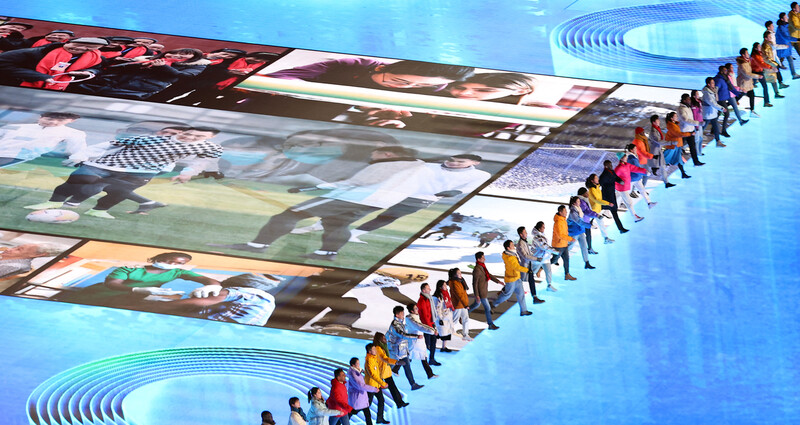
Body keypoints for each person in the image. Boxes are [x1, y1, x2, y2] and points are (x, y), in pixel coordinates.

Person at [209, 146, 431, 261]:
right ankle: (326, 253)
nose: (372, 157)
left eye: (375, 154)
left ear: (387, 154)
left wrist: (317, 187)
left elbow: (360, 182)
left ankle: (257, 246)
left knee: (289, 215)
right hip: (377, 203)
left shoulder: (387, 164)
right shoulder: (419, 166)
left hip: (350, 197)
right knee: (337, 224)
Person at [25, 127, 223, 219]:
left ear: (208, 138)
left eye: (198, 136)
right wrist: (81, 155)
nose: (191, 138)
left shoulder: (210, 147)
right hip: (108, 164)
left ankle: (98, 211)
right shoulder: (150, 139)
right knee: (81, 179)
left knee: (118, 192)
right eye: (188, 133)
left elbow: (203, 160)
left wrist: (188, 172)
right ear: (182, 132)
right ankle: (53, 202)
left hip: (143, 172)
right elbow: (109, 144)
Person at [347, 154, 489, 243]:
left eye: (460, 162)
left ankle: (354, 234)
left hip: (422, 199)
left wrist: (457, 191)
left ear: (474, 162)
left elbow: (471, 187)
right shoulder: (427, 165)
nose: (454, 163)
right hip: (396, 192)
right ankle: (334, 228)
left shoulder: (480, 175)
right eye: (452, 160)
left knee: (387, 217)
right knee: (361, 210)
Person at [52, 252, 221, 308]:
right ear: (158, 258)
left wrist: (210, 287)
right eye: (170, 260)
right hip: (99, 294)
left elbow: (210, 281)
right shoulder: (130, 269)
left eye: (179, 263)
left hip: (129, 299)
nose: (173, 264)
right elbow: (112, 284)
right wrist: (137, 289)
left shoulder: (177, 273)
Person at [266, 58, 475, 93]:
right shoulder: (350, 65)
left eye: (420, 86)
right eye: (398, 81)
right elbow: (278, 77)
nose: (405, 88)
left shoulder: (436, 86)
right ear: (379, 69)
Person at [74, 48, 209, 99]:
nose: (178, 56)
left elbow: (184, 76)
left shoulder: (197, 66)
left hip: (137, 90)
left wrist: (163, 67)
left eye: (184, 55)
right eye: (176, 52)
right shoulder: (147, 58)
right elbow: (113, 69)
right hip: (109, 82)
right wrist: (138, 65)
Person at [0, 37, 108, 90]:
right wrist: (39, 76)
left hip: (57, 90)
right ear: (67, 42)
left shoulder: (95, 58)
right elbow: (3, 63)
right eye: (78, 45)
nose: (81, 49)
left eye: (89, 47)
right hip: (17, 87)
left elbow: (98, 70)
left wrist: (89, 72)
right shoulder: (34, 53)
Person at [0, 112, 86, 168]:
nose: (53, 122)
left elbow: (78, 148)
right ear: (40, 117)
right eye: (49, 119)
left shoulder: (73, 133)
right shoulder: (15, 126)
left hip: (16, 156)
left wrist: (78, 158)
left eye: (61, 120)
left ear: (71, 121)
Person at [385, 306, 424, 391]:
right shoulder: (395, 325)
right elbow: (402, 335)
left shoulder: (401, 323)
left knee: (407, 367)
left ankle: (413, 384)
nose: (403, 315)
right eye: (402, 313)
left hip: (402, 350)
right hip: (394, 351)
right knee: (389, 367)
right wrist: (416, 336)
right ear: (397, 315)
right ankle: (380, 382)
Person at [492, 240, 532, 315]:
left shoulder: (512, 254)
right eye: (512, 245)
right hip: (511, 279)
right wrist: (527, 270)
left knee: (521, 294)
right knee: (507, 295)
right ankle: (494, 304)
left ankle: (523, 311)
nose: (514, 246)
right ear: (508, 248)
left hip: (517, 277)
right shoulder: (509, 257)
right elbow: (516, 267)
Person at [370, 333, 407, 408]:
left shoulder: (383, 347)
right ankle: (364, 405)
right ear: (379, 339)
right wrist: (396, 362)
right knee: (374, 392)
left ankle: (399, 403)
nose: (385, 339)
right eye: (383, 338)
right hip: (381, 372)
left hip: (385, 371)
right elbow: (385, 358)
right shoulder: (378, 348)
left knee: (393, 388)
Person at [404, 302, 439, 379]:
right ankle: (395, 369)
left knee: (423, 357)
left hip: (419, 341)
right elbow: (420, 326)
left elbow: (421, 326)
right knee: (408, 357)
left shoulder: (415, 317)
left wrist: (432, 330)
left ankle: (430, 374)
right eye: (416, 308)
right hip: (414, 341)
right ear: (412, 311)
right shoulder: (411, 319)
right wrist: (432, 331)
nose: (417, 309)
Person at [712, 66, 747, 138]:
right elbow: (715, 90)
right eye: (725, 70)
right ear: (721, 71)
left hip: (725, 97)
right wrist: (716, 99)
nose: (726, 71)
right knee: (726, 114)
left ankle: (713, 129)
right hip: (721, 99)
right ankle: (723, 131)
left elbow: (731, 87)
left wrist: (739, 93)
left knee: (718, 113)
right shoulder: (719, 80)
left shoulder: (725, 79)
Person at [515, 227, 546, 304]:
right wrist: (536, 258)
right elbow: (525, 256)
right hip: (524, 266)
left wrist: (536, 255)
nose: (526, 233)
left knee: (531, 280)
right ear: (521, 234)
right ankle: (504, 292)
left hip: (528, 265)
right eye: (525, 232)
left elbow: (529, 253)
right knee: (515, 281)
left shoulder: (524, 242)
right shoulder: (520, 244)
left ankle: (534, 297)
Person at [470, 251, 501, 330]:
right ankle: (490, 324)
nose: (485, 259)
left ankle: (463, 314)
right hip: (481, 293)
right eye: (483, 258)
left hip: (483, 291)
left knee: (475, 305)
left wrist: (498, 281)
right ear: (478, 259)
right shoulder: (477, 269)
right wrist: (477, 295)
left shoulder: (482, 267)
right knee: (487, 308)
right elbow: (474, 283)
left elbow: (488, 275)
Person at [363, 343, 393, 423]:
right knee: (367, 404)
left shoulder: (374, 358)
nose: (375, 350)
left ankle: (380, 418)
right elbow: (373, 375)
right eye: (374, 349)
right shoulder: (369, 361)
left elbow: (377, 372)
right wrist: (383, 383)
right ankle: (351, 412)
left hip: (377, 385)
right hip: (371, 386)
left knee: (381, 400)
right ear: (369, 351)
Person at [0, 243, 64, 279]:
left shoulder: (15, 266)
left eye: (19, 249)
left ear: (37, 255)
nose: (8, 249)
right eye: (15, 247)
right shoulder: (8, 259)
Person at [598, 160, 630, 232]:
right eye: (609, 165)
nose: (611, 166)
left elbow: (615, 177)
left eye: (611, 164)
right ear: (606, 166)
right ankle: (621, 228)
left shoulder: (611, 172)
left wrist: (620, 181)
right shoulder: (604, 175)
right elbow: (599, 184)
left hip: (611, 195)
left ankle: (621, 228)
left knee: (613, 211)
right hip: (607, 197)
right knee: (608, 211)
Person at [529, 221, 560, 292]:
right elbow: (544, 246)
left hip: (545, 258)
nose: (544, 228)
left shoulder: (542, 235)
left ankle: (549, 285)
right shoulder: (537, 237)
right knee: (532, 272)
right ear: (539, 228)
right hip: (538, 258)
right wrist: (555, 251)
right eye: (543, 227)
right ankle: (523, 283)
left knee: (548, 271)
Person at [416, 282, 442, 364]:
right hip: (427, 326)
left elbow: (430, 314)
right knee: (428, 344)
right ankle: (425, 359)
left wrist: (433, 324)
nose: (430, 289)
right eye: (428, 288)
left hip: (430, 324)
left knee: (433, 342)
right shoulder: (422, 301)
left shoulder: (428, 299)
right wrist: (432, 328)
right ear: (423, 290)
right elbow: (425, 316)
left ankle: (431, 359)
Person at [567, 196, 595, 269]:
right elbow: (579, 221)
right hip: (574, 232)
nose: (580, 203)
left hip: (580, 231)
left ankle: (587, 262)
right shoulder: (573, 212)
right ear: (574, 203)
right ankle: (557, 256)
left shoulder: (579, 209)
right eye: (578, 201)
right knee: (570, 246)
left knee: (584, 246)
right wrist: (589, 225)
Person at [677, 93, 705, 165]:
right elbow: (686, 120)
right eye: (688, 99)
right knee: (679, 147)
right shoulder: (681, 109)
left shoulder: (688, 107)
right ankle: (675, 160)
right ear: (684, 100)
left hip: (690, 131)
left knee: (692, 148)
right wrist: (698, 123)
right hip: (684, 132)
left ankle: (696, 161)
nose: (690, 100)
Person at [347, 358, 377, 425]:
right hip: (358, 399)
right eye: (357, 363)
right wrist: (373, 389)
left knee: (367, 415)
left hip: (361, 399)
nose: (359, 364)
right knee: (350, 414)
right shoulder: (353, 374)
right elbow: (361, 386)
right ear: (353, 365)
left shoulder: (357, 372)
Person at [551, 205, 577, 281]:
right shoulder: (558, 222)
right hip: (558, 245)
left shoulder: (563, 220)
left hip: (564, 244)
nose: (566, 212)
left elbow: (564, 232)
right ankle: (541, 267)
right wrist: (570, 239)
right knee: (554, 260)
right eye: (565, 211)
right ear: (560, 212)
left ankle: (567, 274)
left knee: (566, 259)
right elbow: (560, 235)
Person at [448, 267, 475, 340]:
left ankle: (465, 335)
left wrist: (465, 304)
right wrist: (465, 304)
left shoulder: (460, 281)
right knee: (454, 320)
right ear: (454, 275)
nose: (460, 274)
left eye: (460, 273)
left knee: (465, 319)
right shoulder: (454, 283)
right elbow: (459, 295)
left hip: (462, 304)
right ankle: (446, 332)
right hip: (458, 305)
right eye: (459, 273)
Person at [738, 48, 767, 113]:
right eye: (747, 53)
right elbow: (747, 73)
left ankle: (752, 110)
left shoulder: (747, 61)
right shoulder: (742, 64)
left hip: (748, 83)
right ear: (743, 55)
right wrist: (757, 76)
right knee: (739, 96)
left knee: (751, 95)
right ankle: (724, 107)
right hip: (744, 83)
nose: (748, 54)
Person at [647, 115, 673, 187]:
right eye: (657, 120)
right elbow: (658, 141)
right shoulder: (653, 131)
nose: (659, 121)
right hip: (654, 152)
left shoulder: (657, 129)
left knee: (663, 167)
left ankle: (666, 183)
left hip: (658, 151)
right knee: (647, 170)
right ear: (653, 122)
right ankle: (638, 184)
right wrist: (670, 142)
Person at [664, 112, 692, 179]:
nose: (677, 117)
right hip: (673, 146)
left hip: (677, 145)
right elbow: (678, 134)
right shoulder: (672, 126)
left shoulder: (675, 124)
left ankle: (683, 173)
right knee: (665, 158)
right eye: (675, 116)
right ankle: (655, 168)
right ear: (672, 118)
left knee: (679, 160)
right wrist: (689, 134)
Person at [700, 79, 726, 149]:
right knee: (701, 128)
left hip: (713, 113)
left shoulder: (713, 91)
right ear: (708, 84)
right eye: (712, 83)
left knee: (716, 127)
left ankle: (718, 141)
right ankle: (691, 141)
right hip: (708, 114)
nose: (714, 84)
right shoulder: (707, 93)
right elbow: (713, 103)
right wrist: (722, 108)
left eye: (714, 83)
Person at [432, 280, 454, 352]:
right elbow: (437, 309)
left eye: (445, 285)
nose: (446, 286)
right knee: (438, 333)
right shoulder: (437, 297)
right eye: (444, 285)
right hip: (441, 317)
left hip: (447, 316)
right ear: (440, 287)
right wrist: (440, 318)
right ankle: (432, 346)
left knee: (446, 333)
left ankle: (444, 347)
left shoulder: (446, 294)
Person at [779, 13, 800, 79]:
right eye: (785, 17)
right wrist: (797, 39)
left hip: (786, 46)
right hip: (782, 47)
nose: (787, 18)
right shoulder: (781, 28)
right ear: (782, 19)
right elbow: (786, 37)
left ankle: (794, 74)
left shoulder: (785, 26)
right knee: (777, 62)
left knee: (790, 60)